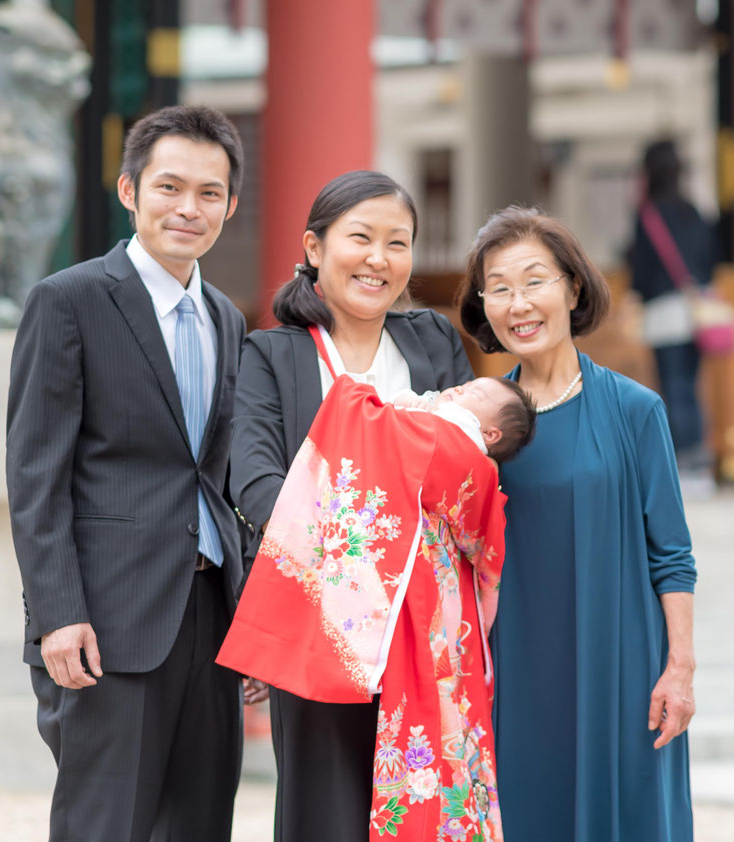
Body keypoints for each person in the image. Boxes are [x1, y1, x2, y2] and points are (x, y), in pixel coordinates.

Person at [5, 106, 249, 842]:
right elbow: (34, 474)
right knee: (104, 825)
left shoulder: (228, 319)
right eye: (169, 187)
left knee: (201, 822)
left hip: (211, 610)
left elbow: (220, 475)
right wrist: (56, 614)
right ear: (128, 191)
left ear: (231, 206)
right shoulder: (68, 300)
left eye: (210, 193)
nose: (188, 208)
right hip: (106, 620)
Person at [230, 170, 477, 842]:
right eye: (360, 238)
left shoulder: (432, 341)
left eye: (398, 243)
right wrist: (354, 554)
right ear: (314, 247)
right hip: (323, 616)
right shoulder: (270, 355)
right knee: (324, 805)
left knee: (426, 801)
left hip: (425, 625)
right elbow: (252, 477)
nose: (380, 259)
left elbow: (468, 456)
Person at [218, 361, 534, 842]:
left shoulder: (454, 440)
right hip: (399, 603)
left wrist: (354, 400)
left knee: (429, 737)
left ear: (489, 431)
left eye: (470, 390)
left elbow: (404, 443)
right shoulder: (442, 434)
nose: (455, 389)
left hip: (427, 608)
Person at [458, 206, 697, 842]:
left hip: (623, 662)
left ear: (572, 286)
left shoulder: (636, 410)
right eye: (499, 288)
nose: (519, 303)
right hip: (519, 667)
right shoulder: (471, 428)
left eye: (534, 280)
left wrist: (680, 668)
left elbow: (671, 554)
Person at [626, 140, 719, 492]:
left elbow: (642, 271)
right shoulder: (692, 210)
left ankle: (684, 465)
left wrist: (635, 297)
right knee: (691, 388)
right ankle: (699, 464)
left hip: (664, 313)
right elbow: (711, 260)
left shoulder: (648, 213)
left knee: (673, 387)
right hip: (698, 311)